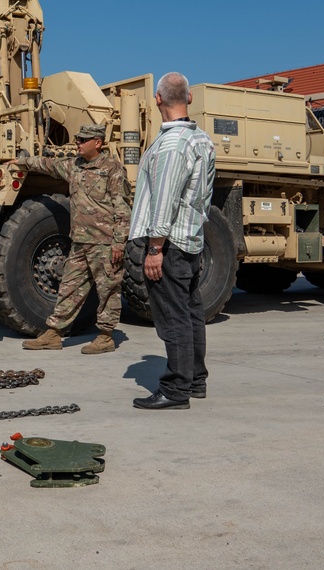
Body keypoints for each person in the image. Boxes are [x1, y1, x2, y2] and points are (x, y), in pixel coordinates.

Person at [128, 72, 215, 410]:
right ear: (189, 98)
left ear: (158, 100)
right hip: (190, 239)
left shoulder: (172, 145)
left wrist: (154, 249)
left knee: (173, 316)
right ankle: (195, 380)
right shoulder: (201, 140)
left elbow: (164, 202)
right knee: (191, 312)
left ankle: (176, 389)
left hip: (170, 245)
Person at [15, 123, 131, 353]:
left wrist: (119, 242)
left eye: (83, 140)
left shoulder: (112, 169)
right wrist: (23, 162)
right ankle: (54, 334)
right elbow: (48, 165)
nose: (78, 143)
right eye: (78, 138)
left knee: (108, 289)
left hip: (105, 243)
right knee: (69, 287)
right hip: (79, 242)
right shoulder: (74, 166)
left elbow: (123, 208)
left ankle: (106, 336)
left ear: (97, 143)